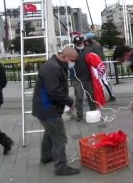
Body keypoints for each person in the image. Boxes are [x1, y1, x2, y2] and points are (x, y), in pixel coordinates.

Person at [32, 46, 80, 176]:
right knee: (60, 139)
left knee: (50, 132)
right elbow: (54, 91)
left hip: (45, 108)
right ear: (64, 56)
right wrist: (70, 102)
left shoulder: (55, 65)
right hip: (48, 109)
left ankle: (46, 156)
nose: (72, 64)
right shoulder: (53, 68)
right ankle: (60, 167)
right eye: (72, 60)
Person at [70, 35, 96, 121]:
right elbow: (68, 64)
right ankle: (79, 114)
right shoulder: (72, 52)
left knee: (91, 96)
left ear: (83, 42)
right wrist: (70, 64)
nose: (79, 44)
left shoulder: (89, 50)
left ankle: (93, 111)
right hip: (77, 79)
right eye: (77, 43)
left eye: (80, 43)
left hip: (88, 77)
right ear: (74, 44)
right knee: (79, 97)